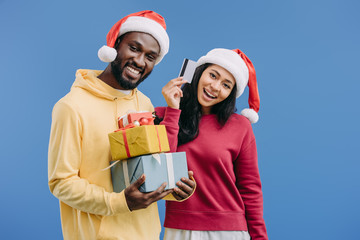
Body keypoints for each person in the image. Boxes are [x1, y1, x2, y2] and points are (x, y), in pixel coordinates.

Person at [48, 10, 194, 240]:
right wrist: (120, 202)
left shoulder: (145, 103)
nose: (139, 61)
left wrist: (177, 190)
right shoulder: (71, 106)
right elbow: (61, 183)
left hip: (147, 234)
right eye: (134, 48)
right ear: (115, 46)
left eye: (150, 56)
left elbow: (145, 173)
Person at [156, 48, 268, 239]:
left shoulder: (240, 126)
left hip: (229, 231)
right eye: (213, 75)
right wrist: (173, 111)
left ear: (231, 93)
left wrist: (260, 237)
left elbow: (250, 188)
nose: (215, 87)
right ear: (198, 73)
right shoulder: (163, 116)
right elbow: (160, 169)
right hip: (179, 228)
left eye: (226, 85)